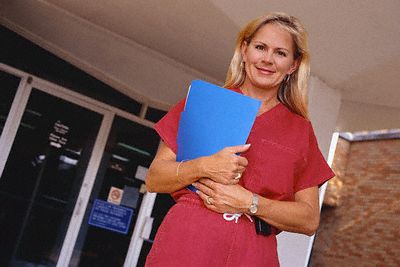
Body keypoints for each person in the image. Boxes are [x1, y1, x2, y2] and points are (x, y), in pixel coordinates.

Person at [145, 11, 335, 266]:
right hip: (187, 242)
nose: (267, 59)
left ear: (293, 64)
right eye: (260, 47)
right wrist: (203, 166)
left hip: (253, 252)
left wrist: (251, 203)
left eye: (280, 53)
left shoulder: (300, 131)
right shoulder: (203, 103)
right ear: (244, 50)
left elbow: (309, 219)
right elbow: (155, 178)